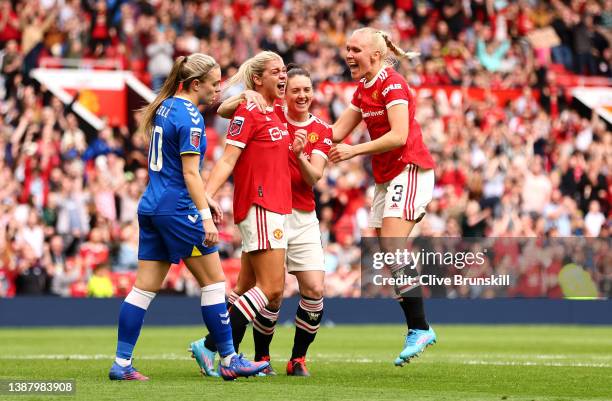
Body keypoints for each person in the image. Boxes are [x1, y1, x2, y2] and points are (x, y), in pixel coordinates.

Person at [108, 53, 268, 381]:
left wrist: (206, 198)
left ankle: (121, 363)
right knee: (214, 282)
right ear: (195, 84)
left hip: (152, 206)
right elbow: (190, 174)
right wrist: (205, 217)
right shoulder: (192, 117)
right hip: (178, 210)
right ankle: (228, 358)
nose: (217, 91)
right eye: (213, 84)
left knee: (143, 289)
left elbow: (172, 170)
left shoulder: (165, 105)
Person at [192, 64, 330, 377]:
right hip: (266, 205)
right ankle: (227, 351)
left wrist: (299, 156)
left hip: (297, 212)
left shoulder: (319, 129)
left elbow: (315, 177)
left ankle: (237, 354)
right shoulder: (270, 111)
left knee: (269, 287)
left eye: (306, 89)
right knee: (269, 289)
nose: (300, 94)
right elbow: (229, 117)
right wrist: (244, 95)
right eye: (292, 87)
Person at [329, 28, 437, 366]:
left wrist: (353, 151)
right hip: (387, 177)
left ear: (375, 55)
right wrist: (295, 129)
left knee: (392, 245)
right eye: (347, 48)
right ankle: (418, 328)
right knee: (389, 253)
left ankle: (420, 328)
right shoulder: (363, 89)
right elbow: (334, 132)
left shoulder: (392, 84)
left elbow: (399, 135)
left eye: (355, 49)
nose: (348, 55)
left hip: (411, 168)